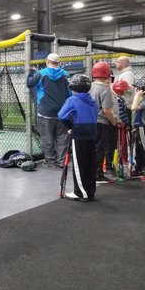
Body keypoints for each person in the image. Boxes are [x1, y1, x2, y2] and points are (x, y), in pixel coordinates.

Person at [26, 53, 71, 168]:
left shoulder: (41, 74)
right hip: (63, 111)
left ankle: (51, 161)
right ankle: (62, 161)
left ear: (47, 61)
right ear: (58, 63)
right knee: (62, 137)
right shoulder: (66, 74)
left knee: (47, 137)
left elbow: (29, 84)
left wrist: (31, 72)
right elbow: (70, 92)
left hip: (45, 111)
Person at [58, 73, 97, 202]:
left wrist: (71, 127)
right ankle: (90, 192)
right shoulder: (92, 100)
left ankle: (80, 193)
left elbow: (62, 116)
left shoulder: (72, 100)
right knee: (90, 163)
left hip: (79, 133)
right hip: (92, 133)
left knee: (79, 164)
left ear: (73, 87)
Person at [89, 62, 119, 183]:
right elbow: (107, 111)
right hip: (101, 122)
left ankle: (92, 172)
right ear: (107, 74)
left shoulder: (89, 86)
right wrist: (114, 122)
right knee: (99, 148)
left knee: (92, 148)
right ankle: (97, 174)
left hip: (89, 121)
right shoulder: (105, 89)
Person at [114, 56, 135, 122]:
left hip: (126, 108)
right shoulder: (122, 74)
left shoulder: (127, 74)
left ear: (123, 64)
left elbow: (129, 89)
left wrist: (119, 89)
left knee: (126, 128)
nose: (115, 63)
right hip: (122, 107)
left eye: (117, 62)